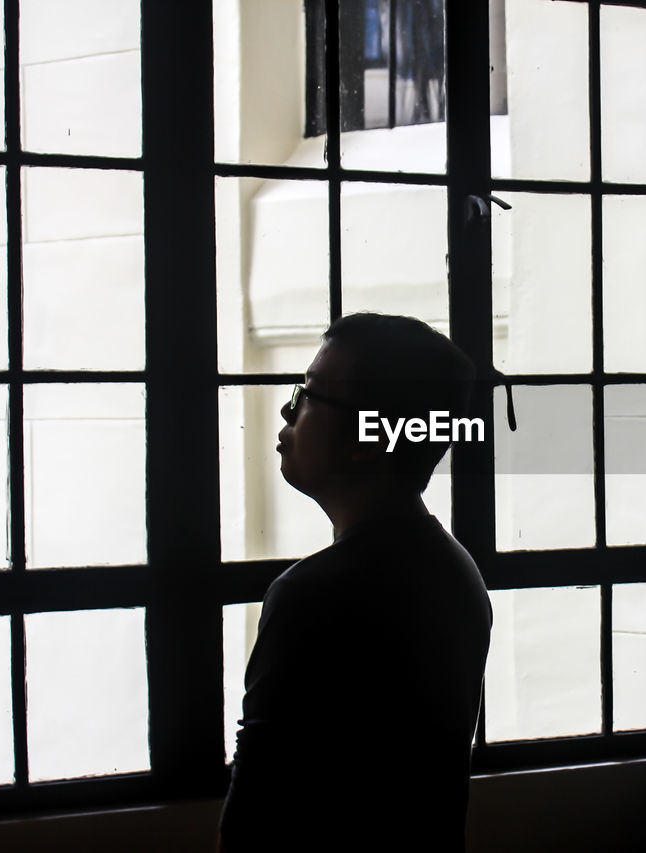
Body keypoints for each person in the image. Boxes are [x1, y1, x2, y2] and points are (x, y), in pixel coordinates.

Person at [219, 313, 492, 852]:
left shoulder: (313, 593)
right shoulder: (456, 571)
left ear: (369, 440)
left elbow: (256, 816)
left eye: (309, 394)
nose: (287, 408)